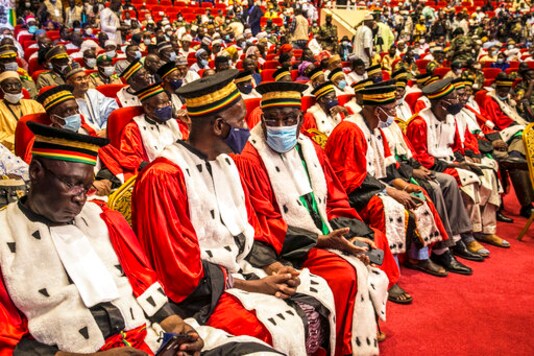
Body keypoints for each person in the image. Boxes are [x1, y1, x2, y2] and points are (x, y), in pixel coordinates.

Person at [0, 122, 277, 355]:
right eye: (71, 184)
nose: (81, 198)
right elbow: (7, 340)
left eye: (86, 186)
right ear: (35, 172)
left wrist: (172, 322)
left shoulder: (103, 217)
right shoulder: (4, 234)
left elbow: (141, 279)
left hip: (148, 339)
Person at [133, 70, 339, 356]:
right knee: (275, 326)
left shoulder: (228, 162)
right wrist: (253, 285)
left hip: (239, 272)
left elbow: (247, 230)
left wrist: (271, 267)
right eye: (241, 120)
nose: (248, 127)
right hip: (201, 298)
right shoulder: (164, 177)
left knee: (318, 293)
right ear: (219, 126)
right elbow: (178, 274)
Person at [235, 81, 391, 355]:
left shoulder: (309, 148)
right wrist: (320, 240)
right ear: (262, 118)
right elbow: (263, 220)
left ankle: (360, 327)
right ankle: (345, 346)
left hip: (325, 228)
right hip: (289, 243)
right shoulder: (250, 157)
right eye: (272, 119)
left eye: (288, 119)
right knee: (345, 273)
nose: (280, 126)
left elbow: (334, 197)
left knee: (371, 241)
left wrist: (349, 233)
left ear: (300, 119)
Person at [326, 84, 454, 281]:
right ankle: (387, 270)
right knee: (387, 207)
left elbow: (387, 167)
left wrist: (402, 186)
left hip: (371, 185)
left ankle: (419, 256)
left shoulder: (376, 128)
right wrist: (391, 192)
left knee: (418, 194)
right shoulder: (350, 130)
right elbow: (350, 178)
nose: (395, 113)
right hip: (351, 192)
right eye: (392, 109)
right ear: (378, 110)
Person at [406, 79, 509, 253]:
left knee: (489, 172)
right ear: (443, 103)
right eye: (454, 98)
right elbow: (419, 156)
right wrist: (457, 165)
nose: (459, 101)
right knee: (470, 180)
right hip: (433, 166)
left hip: (451, 160)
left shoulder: (450, 118)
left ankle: (486, 229)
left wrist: (465, 160)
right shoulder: (419, 122)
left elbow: (456, 147)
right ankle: (468, 234)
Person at [482, 74, 534, 218]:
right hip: (499, 133)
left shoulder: (508, 99)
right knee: (519, 158)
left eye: (507, 89)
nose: (504, 92)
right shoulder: (490, 99)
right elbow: (495, 121)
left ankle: (528, 204)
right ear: (496, 87)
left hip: (513, 133)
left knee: (524, 159)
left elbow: (517, 115)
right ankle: (527, 205)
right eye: (502, 89)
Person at [119, 83, 184, 167]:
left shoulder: (173, 122)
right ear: (148, 108)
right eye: (163, 103)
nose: (168, 106)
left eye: (168, 102)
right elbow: (129, 157)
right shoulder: (134, 128)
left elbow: (186, 143)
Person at [66, 66, 118, 135]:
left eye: (85, 78)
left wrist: (105, 129)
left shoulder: (94, 93)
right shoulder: (67, 102)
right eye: (79, 79)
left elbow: (111, 111)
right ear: (69, 83)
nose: (84, 81)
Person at [0, 71, 44, 152]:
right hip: (9, 151)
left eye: (17, 84)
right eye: (8, 85)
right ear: (1, 88)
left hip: (36, 147)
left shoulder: (34, 104)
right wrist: (22, 141)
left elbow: (44, 126)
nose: (13, 87)